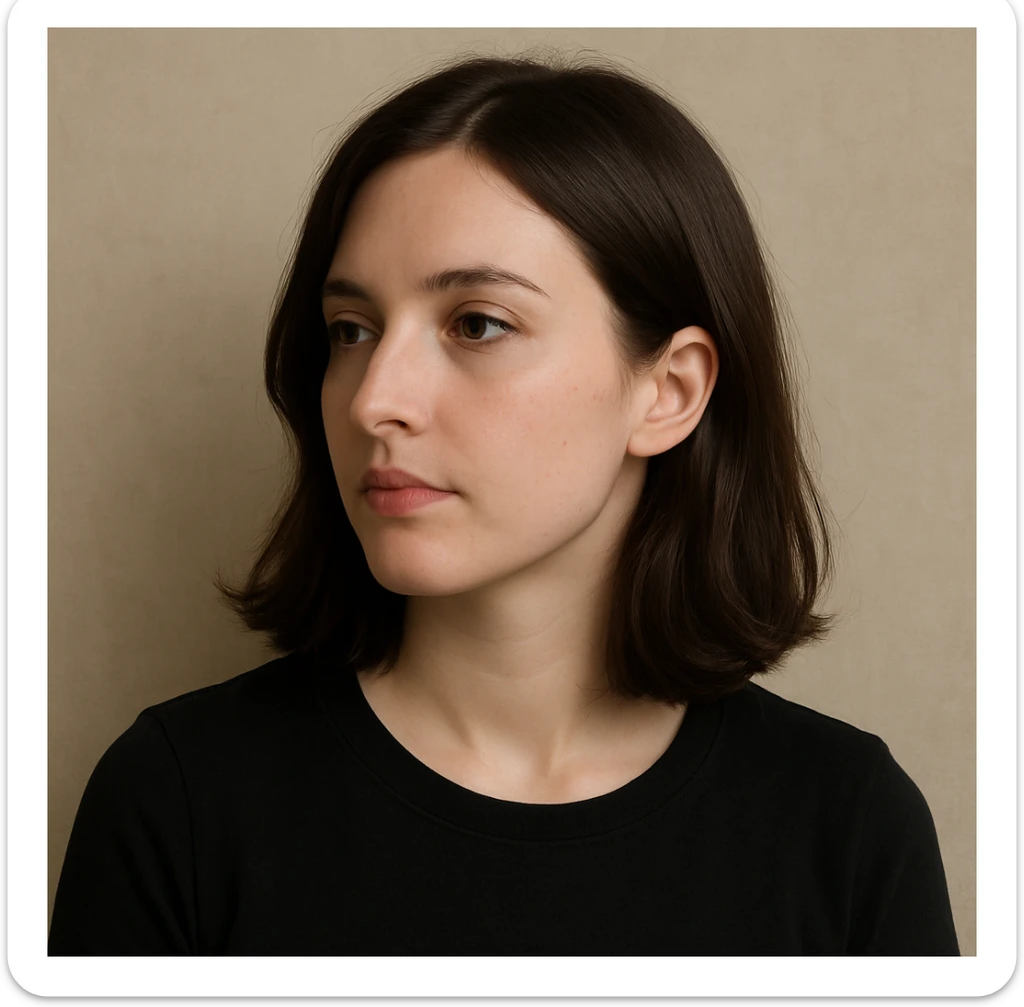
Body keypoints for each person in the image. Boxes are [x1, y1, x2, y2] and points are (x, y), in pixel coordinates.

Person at [48, 49, 960, 956]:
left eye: (478, 323)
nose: (374, 399)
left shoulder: (847, 829)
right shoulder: (179, 805)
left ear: (669, 390)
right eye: (351, 330)